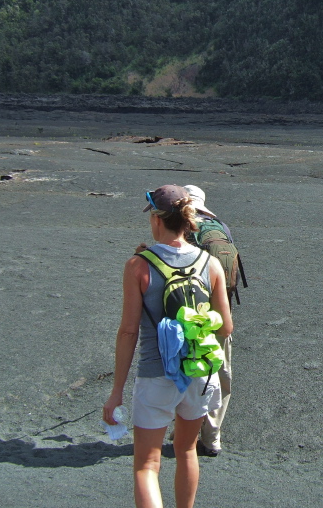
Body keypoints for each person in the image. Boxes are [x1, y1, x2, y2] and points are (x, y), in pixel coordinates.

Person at [104, 184, 233, 508]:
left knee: (146, 465)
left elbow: (128, 332)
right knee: (187, 451)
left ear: (157, 219)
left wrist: (116, 392)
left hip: (155, 375)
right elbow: (226, 327)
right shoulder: (209, 263)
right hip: (199, 375)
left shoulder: (138, 265)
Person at [183, 185, 238, 458]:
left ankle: (185, 434)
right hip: (221, 312)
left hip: (190, 316)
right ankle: (212, 438)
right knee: (220, 373)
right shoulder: (221, 228)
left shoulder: (182, 227)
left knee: (188, 373)